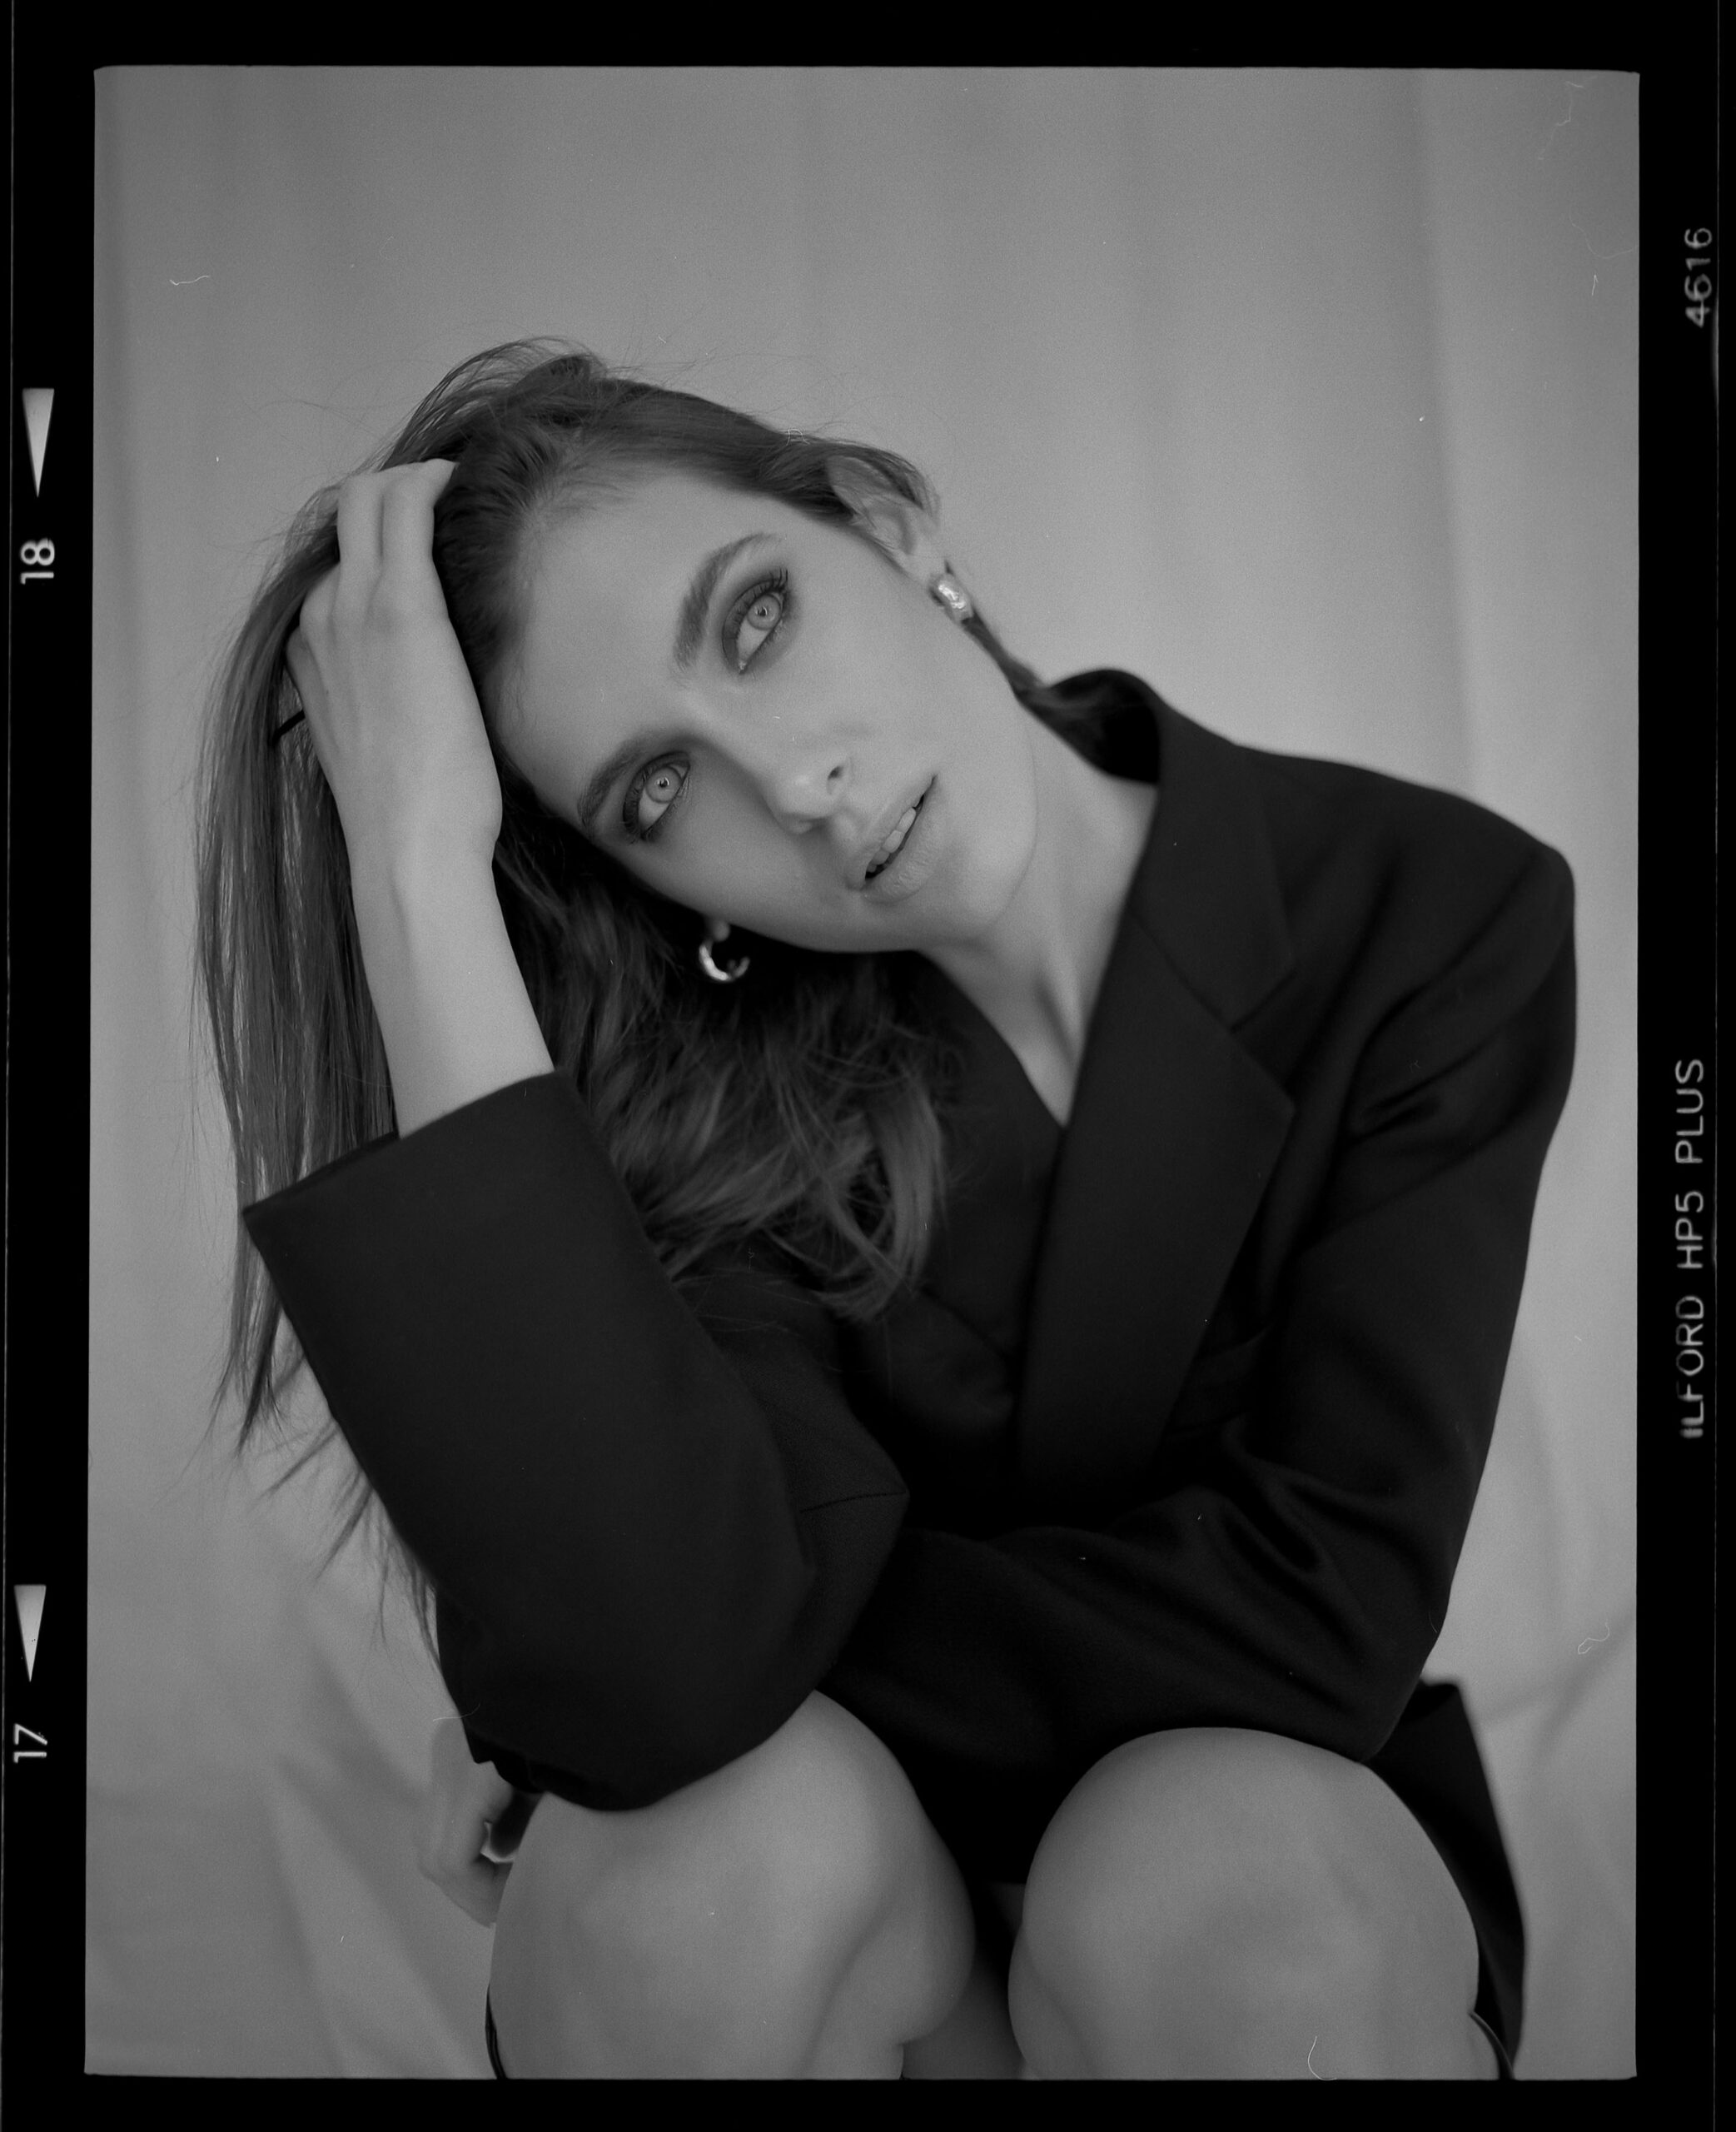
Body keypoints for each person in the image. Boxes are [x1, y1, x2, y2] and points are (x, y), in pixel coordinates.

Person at [196, 341, 1574, 2079]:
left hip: (1269, 1879)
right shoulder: (696, 1108)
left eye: (755, 622)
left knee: (1211, 1888)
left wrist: (632, 1684)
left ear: (884, 520)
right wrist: (414, 868)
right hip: (869, 1940)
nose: (790, 786)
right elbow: (652, 1661)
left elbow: (1320, 1616)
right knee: (674, 1879)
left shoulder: (1429, 909)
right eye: (655, 790)